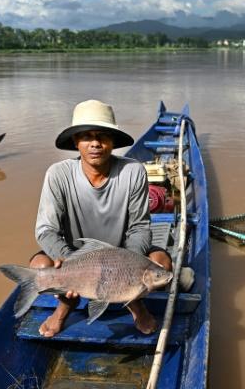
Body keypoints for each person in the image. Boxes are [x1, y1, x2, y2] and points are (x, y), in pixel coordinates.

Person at [30, 99, 173, 337]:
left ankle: (135, 305)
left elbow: (139, 227)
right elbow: (46, 230)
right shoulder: (58, 174)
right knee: (39, 266)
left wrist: (127, 265)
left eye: (103, 136)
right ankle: (63, 309)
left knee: (162, 263)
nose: (95, 143)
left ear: (113, 142)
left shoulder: (133, 171)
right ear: (76, 142)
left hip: (123, 252)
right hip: (75, 255)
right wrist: (70, 261)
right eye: (87, 136)